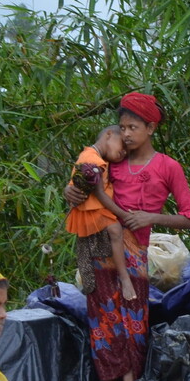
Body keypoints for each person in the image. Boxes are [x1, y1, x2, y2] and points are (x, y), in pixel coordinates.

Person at [62, 91, 190, 381]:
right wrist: (70, 192)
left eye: (132, 127)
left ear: (151, 127)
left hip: (135, 255)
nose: (125, 134)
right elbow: (82, 187)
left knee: (133, 330)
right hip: (98, 252)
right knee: (103, 329)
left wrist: (152, 218)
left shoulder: (168, 167)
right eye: (122, 127)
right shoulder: (112, 159)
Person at [65, 125, 134, 300]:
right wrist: (124, 215)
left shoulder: (91, 155)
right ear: (109, 135)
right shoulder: (93, 160)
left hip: (91, 209)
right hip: (91, 209)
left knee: (92, 253)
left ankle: (98, 282)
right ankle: (125, 278)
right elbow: (99, 194)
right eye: (122, 147)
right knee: (115, 231)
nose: (123, 153)